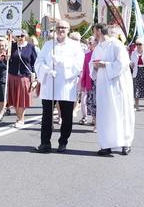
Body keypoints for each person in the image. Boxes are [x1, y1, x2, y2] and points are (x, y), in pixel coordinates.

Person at [33, 20, 84, 153]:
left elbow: (79, 64)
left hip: (66, 85)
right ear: (55, 29)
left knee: (66, 116)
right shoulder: (49, 45)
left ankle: (63, 141)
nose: (61, 29)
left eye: (64, 27)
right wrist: (46, 69)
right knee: (47, 116)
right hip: (49, 84)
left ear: (68, 30)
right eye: (59, 27)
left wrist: (63, 62)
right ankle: (45, 142)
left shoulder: (75, 46)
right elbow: (39, 62)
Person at [90, 24, 135, 156]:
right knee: (105, 112)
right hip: (103, 85)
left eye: (94, 31)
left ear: (99, 31)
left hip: (117, 84)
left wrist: (105, 64)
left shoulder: (116, 44)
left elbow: (123, 63)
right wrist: (95, 67)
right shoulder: (98, 47)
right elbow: (92, 63)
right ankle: (106, 144)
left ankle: (126, 143)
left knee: (121, 112)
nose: (93, 34)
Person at [7, 30, 37, 128]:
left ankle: (21, 119)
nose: (20, 38)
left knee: (22, 99)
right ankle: (18, 117)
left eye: (22, 36)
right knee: (15, 99)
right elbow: (7, 61)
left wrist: (35, 77)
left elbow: (35, 62)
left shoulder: (30, 47)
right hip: (13, 75)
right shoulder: (12, 46)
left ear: (26, 36)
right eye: (18, 36)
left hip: (24, 76)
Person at [79, 37, 97, 125]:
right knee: (91, 101)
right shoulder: (87, 55)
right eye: (89, 43)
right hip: (89, 82)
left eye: (92, 43)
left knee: (98, 101)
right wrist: (83, 84)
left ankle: (97, 121)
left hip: (99, 81)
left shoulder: (100, 54)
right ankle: (93, 119)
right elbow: (85, 70)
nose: (90, 45)